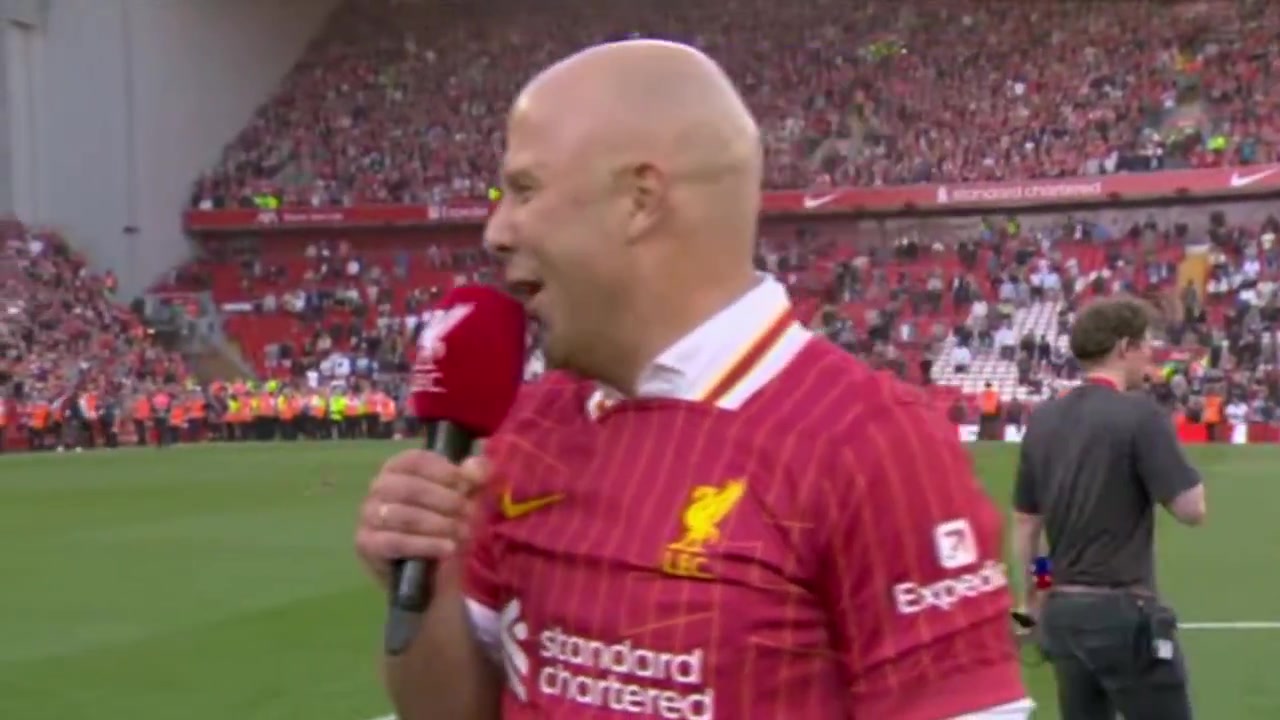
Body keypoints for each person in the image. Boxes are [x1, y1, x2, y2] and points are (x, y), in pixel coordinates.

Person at [355, 40, 1031, 720]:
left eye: (525, 190)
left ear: (640, 200)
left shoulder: (872, 444)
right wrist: (429, 584)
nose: (496, 232)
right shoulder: (529, 425)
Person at [1012, 296, 1206, 720]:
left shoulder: (1043, 420)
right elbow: (1192, 509)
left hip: (1063, 614)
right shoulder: (1140, 415)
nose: (1150, 354)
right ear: (1123, 347)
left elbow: (1029, 528)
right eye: (1145, 343)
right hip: (1122, 614)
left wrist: (1033, 600)